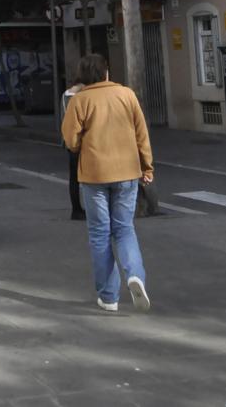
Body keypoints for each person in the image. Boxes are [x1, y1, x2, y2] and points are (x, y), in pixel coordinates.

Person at [61, 53, 153, 313]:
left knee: (100, 234)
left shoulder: (80, 100)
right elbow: (141, 133)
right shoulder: (127, 94)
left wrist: (83, 143)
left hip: (94, 175)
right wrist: (147, 166)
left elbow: (70, 140)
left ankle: (109, 296)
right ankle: (135, 275)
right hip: (127, 172)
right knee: (124, 229)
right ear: (106, 73)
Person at [61, 80, 85, 219]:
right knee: (81, 177)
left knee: (74, 177)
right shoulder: (77, 98)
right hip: (78, 141)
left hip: (69, 141)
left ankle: (76, 209)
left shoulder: (66, 95)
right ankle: (78, 209)